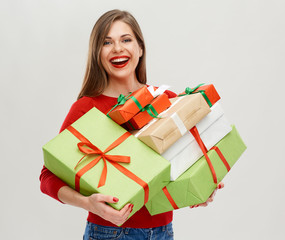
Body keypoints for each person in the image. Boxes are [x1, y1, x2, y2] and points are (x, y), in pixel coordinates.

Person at [40, 9, 223, 240]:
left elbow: (181, 165)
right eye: (107, 42)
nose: (118, 48)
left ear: (140, 48)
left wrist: (200, 188)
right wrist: (89, 204)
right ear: (98, 53)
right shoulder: (87, 108)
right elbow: (48, 176)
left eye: (126, 39)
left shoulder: (165, 99)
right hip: (108, 233)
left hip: (163, 232)